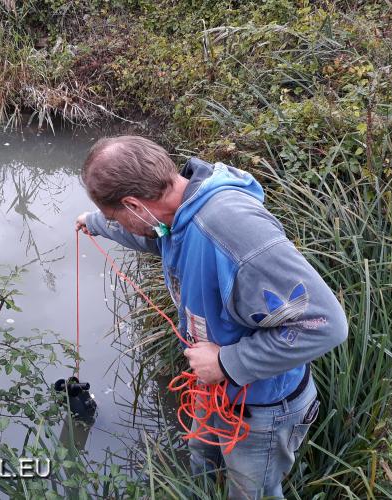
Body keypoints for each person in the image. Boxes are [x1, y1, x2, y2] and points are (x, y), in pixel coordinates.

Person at [75, 136, 348, 499]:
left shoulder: (231, 228)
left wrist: (225, 362)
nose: (120, 224)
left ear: (134, 204)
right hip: (214, 386)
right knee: (203, 461)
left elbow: (325, 324)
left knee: (251, 493)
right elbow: (153, 236)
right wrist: (96, 222)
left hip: (261, 406)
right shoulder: (176, 213)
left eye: (117, 217)